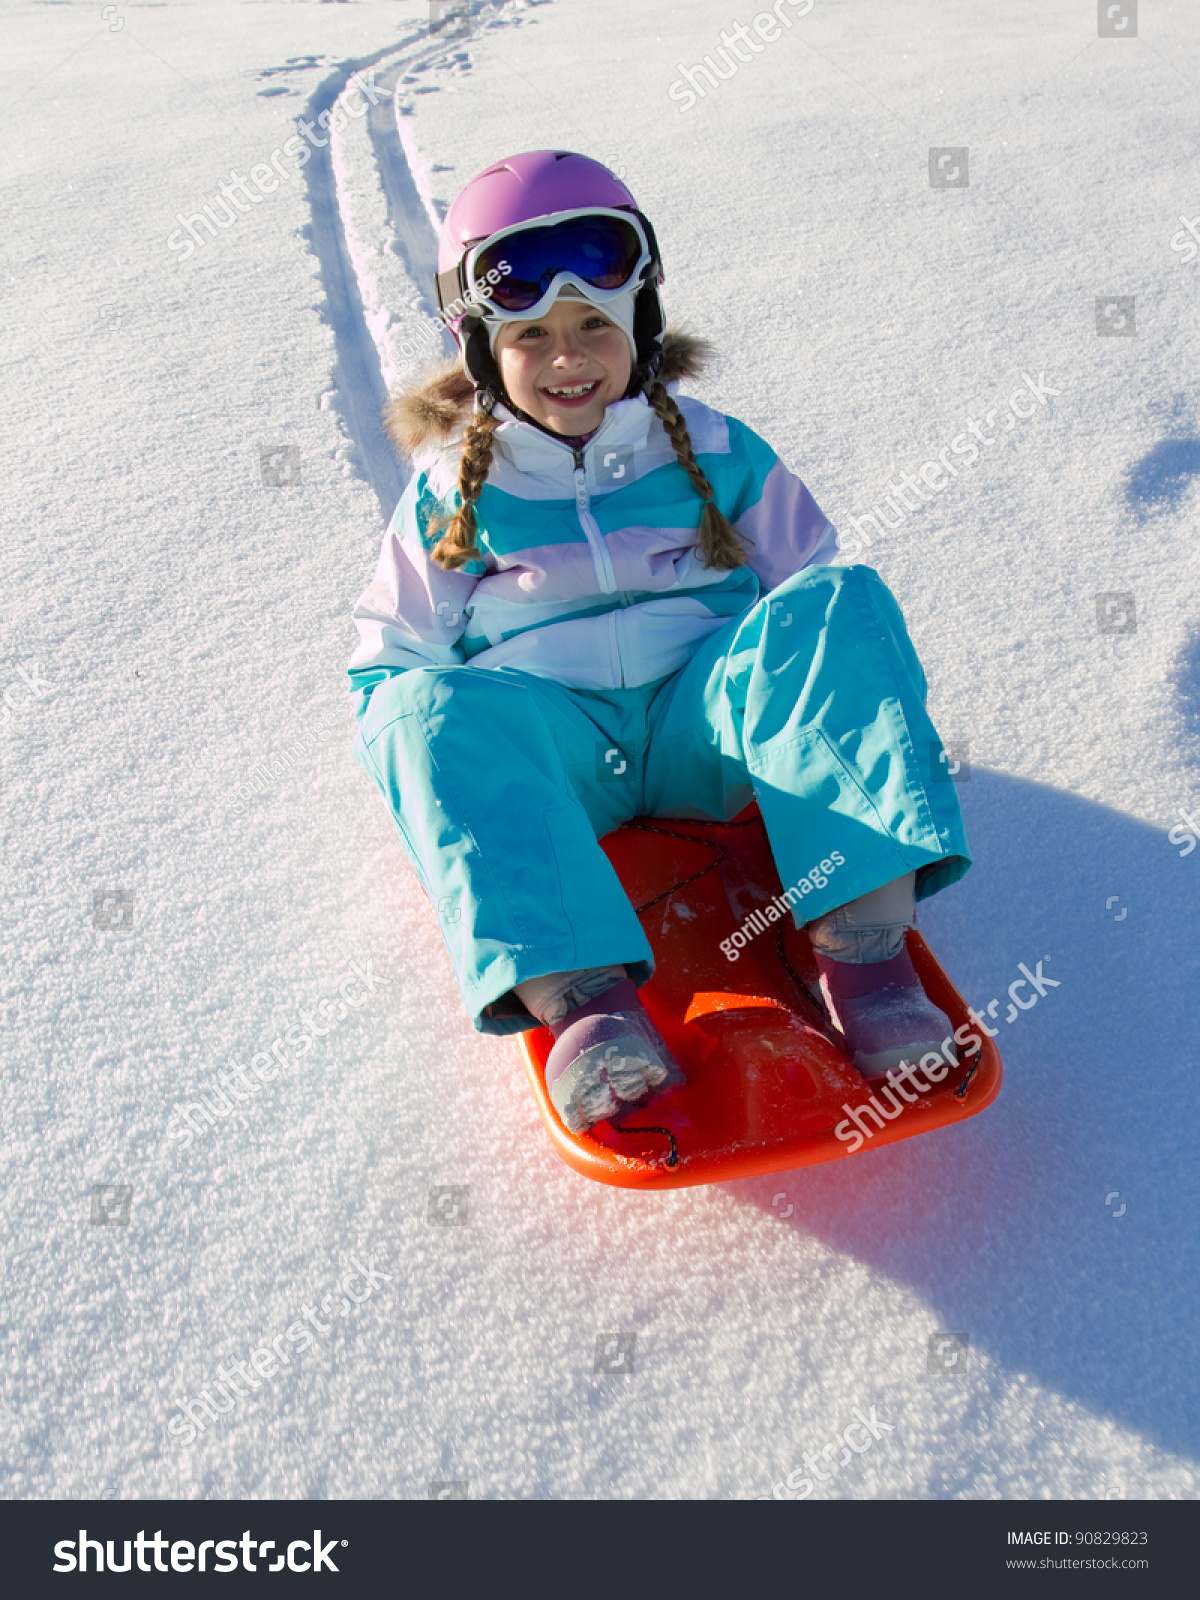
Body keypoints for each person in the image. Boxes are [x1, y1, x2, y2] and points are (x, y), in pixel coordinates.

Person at [348, 151, 970, 1136]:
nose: (569, 357)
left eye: (595, 323)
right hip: (558, 763)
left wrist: (844, 717)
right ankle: (585, 1002)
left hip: (706, 736)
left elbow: (810, 606)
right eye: (533, 336)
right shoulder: (450, 495)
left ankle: (864, 949)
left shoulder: (719, 451)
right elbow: (392, 661)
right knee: (419, 709)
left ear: (640, 321)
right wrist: (456, 765)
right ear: (480, 350)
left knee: (837, 601)